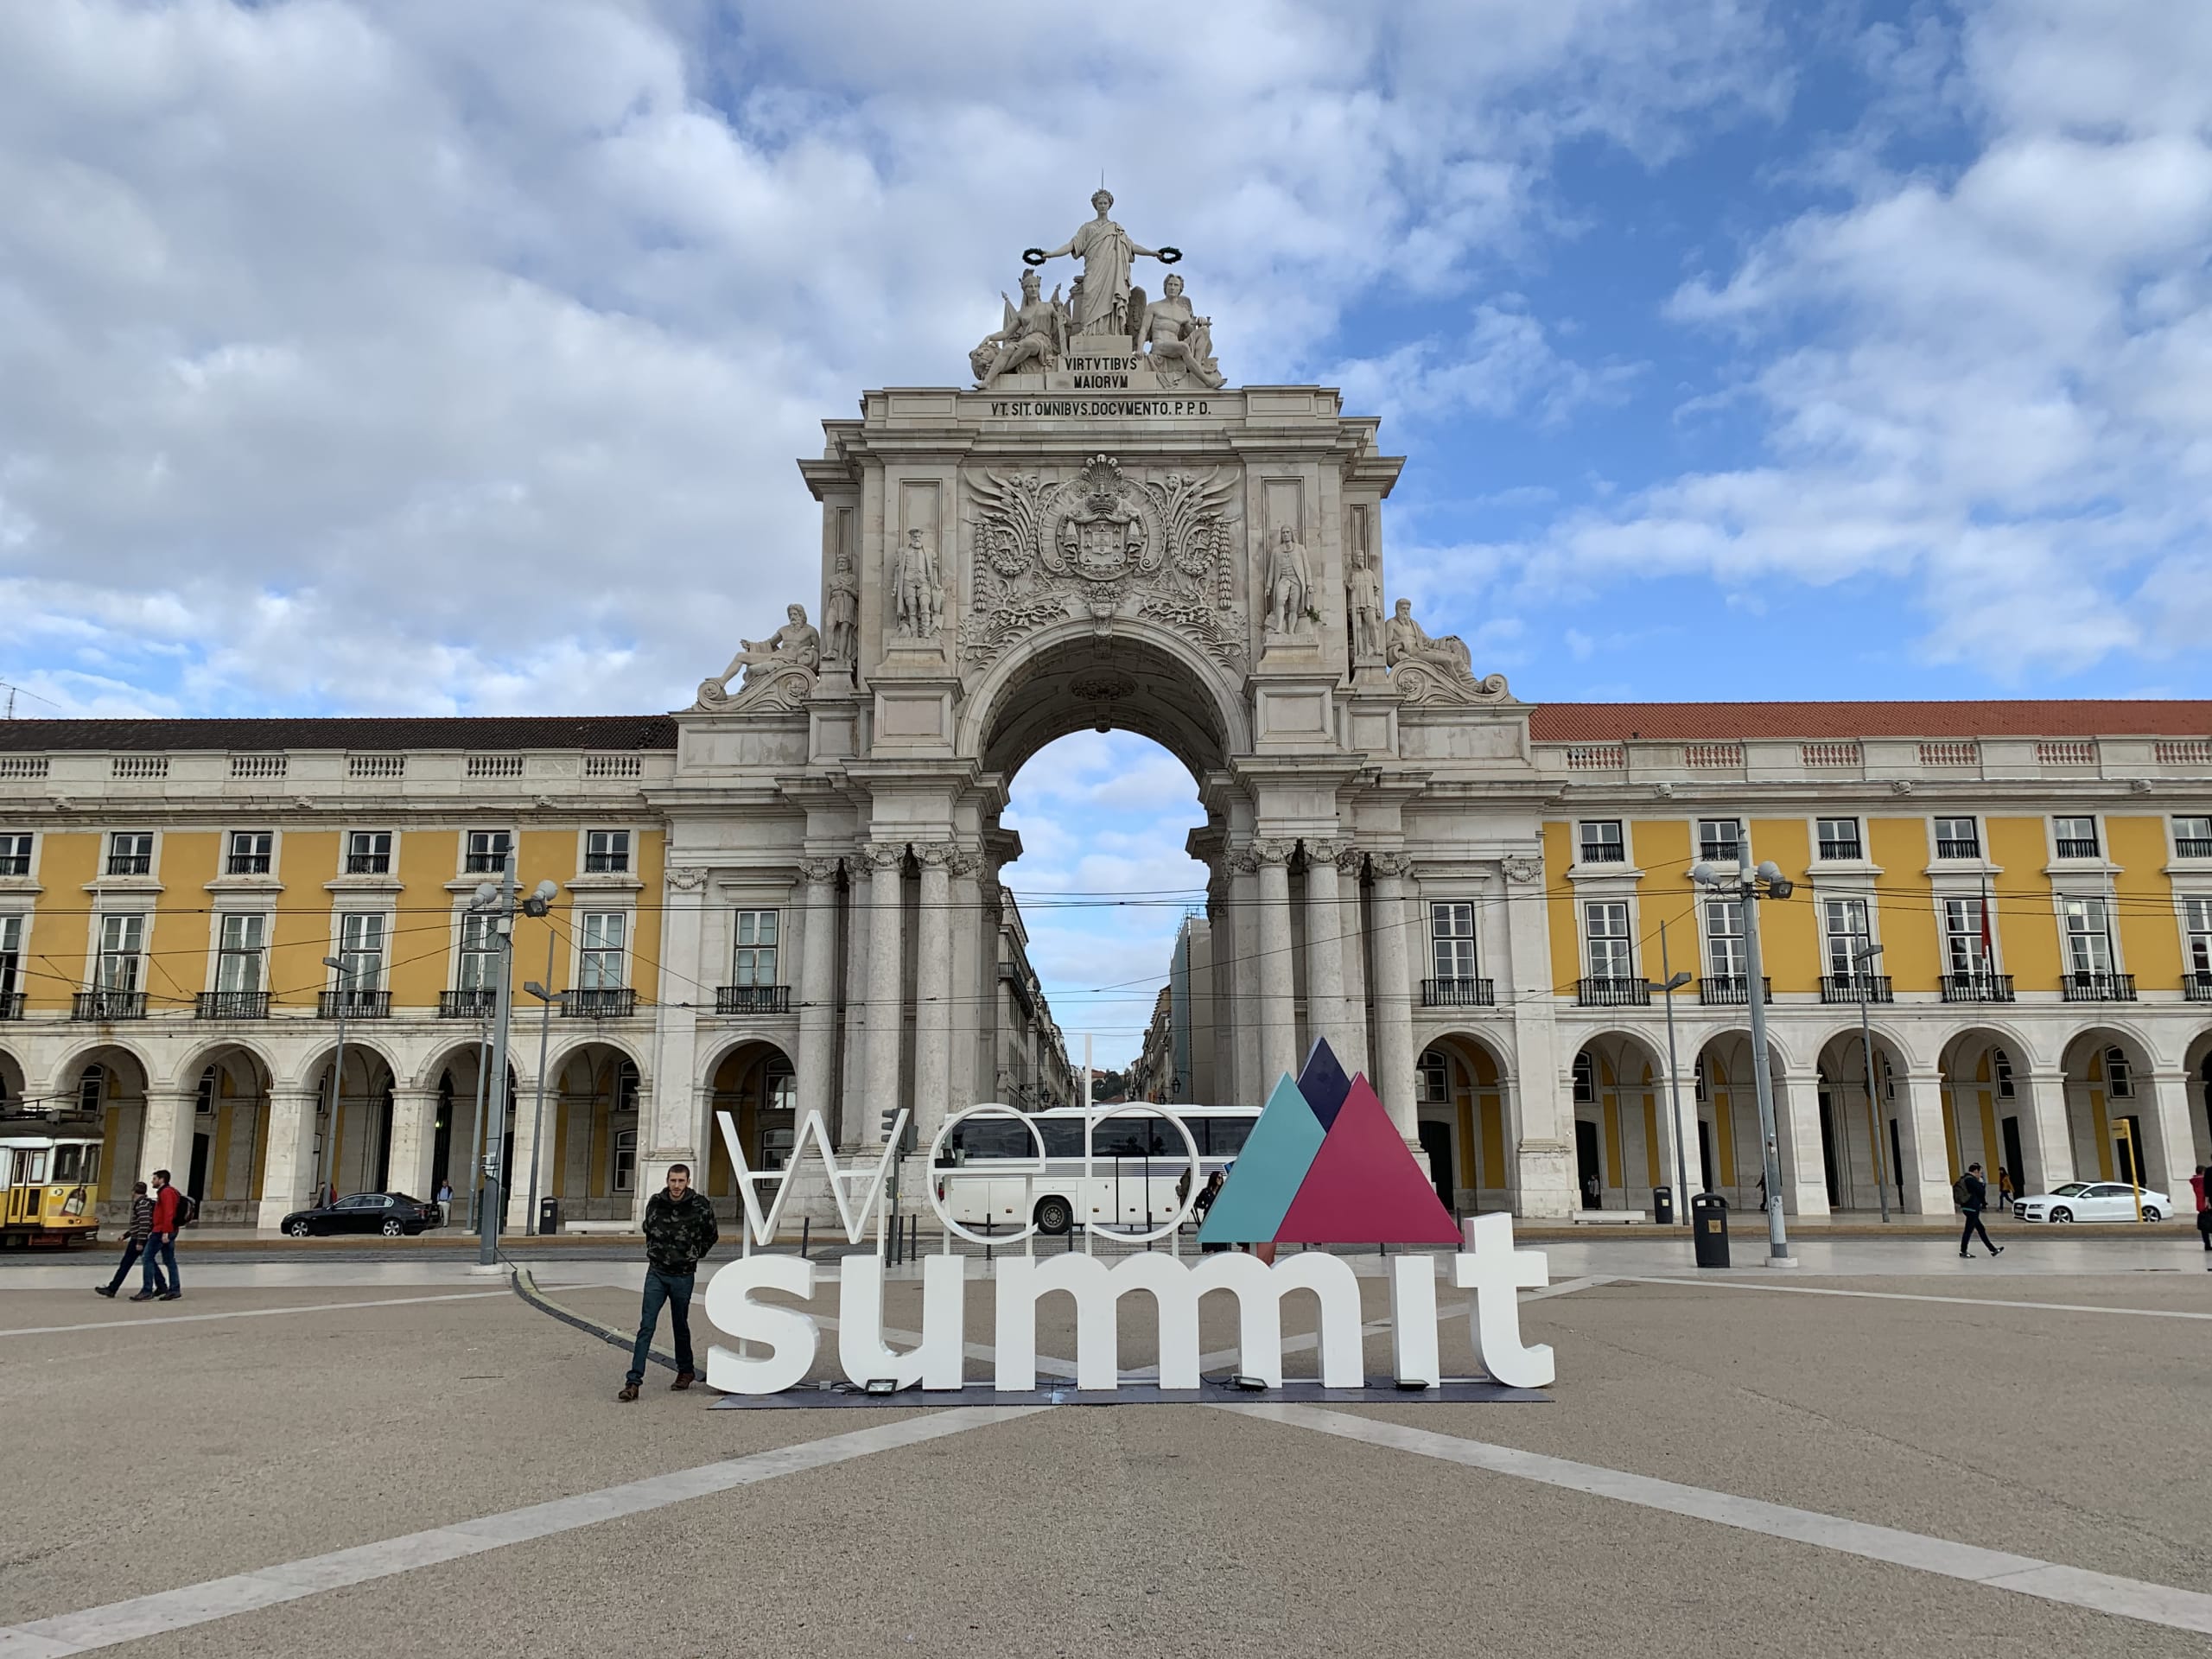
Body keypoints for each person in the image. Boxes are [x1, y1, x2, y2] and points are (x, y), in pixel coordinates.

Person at [618, 1162, 720, 1402]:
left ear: (688, 1181)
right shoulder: (655, 1203)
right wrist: (656, 1251)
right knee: (647, 1326)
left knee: (679, 1324)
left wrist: (695, 1254)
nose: (676, 1186)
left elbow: (711, 1234)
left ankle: (686, 1370)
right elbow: (648, 1229)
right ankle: (633, 1381)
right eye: (673, 1181)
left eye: (681, 1181)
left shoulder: (700, 1205)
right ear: (667, 1181)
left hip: (683, 1275)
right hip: (657, 1272)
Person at [132, 1167, 183, 1302]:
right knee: (169, 1260)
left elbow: (168, 1213)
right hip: (166, 1230)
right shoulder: (170, 1192)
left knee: (147, 1257)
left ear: (161, 1180)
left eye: (154, 1178)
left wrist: (165, 1231)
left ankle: (147, 1290)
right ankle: (174, 1289)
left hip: (161, 1230)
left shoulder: (166, 1192)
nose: (152, 1181)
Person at [96, 1181, 153, 1299]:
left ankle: (112, 1289)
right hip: (138, 1238)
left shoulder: (141, 1204)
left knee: (126, 1264)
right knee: (148, 1263)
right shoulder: (142, 1203)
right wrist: (126, 1235)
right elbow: (138, 1224)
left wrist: (140, 1242)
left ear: (134, 1192)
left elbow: (144, 1224)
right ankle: (161, 1285)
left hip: (138, 1240)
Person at [1955, 1161, 2003, 1259]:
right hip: (1972, 1208)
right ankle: (1963, 1251)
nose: (1981, 1175)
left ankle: (1992, 1250)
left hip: (1967, 1207)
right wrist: (1981, 1183)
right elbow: (1981, 1192)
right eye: (1980, 1173)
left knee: (1981, 1229)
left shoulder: (1964, 1178)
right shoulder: (1971, 1180)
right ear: (1976, 1171)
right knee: (1968, 1230)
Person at [2191, 1164, 2209, 1264]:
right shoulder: (2204, 1181)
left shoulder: (2195, 1181)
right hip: (2207, 1204)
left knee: (2204, 1226)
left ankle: (2207, 1244)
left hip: (2200, 1205)